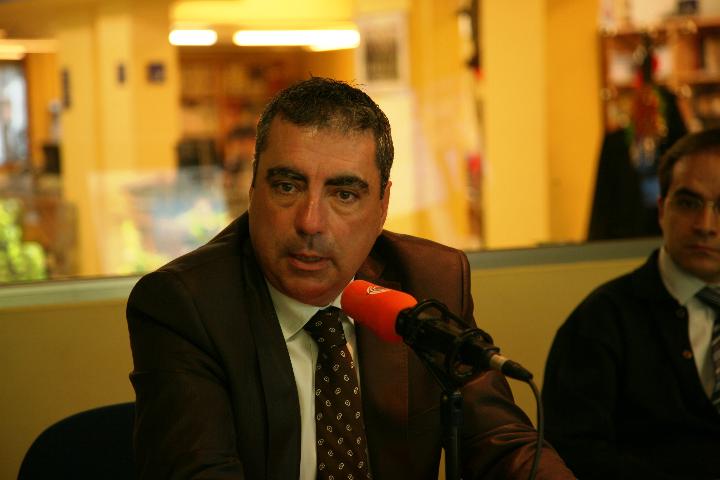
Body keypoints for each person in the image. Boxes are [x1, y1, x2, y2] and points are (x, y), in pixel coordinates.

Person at [127, 77, 574, 479]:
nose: (310, 222)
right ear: (253, 188)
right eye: (287, 186)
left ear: (382, 206)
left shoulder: (427, 280)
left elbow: (501, 443)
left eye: (344, 194)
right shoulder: (187, 305)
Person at [543, 128, 720, 479]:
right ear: (662, 210)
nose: (705, 225)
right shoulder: (601, 322)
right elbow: (570, 452)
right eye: (688, 203)